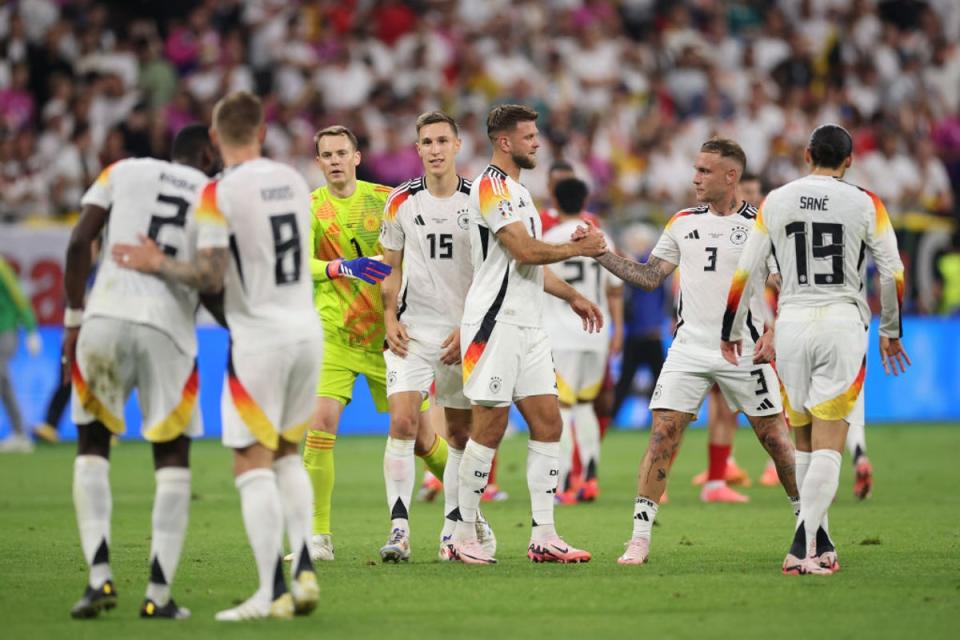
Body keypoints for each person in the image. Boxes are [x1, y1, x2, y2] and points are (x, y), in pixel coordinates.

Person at [115, 92, 321, 619]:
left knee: (251, 463)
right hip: (306, 330)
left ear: (213, 138)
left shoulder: (217, 193)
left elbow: (209, 276)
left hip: (259, 340)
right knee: (287, 454)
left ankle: (271, 589)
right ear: (263, 129)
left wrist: (157, 263)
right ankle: (303, 571)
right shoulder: (296, 180)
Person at [579, 138, 800, 566]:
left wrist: (776, 330)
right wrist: (602, 254)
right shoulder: (681, 222)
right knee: (662, 433)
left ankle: (807, 526)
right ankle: (639, 538)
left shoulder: (761, 226)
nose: (695, 177)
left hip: (743, 349)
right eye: (695, 169)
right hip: (689, 347)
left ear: (730, 176)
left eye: (704, 171)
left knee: (775, 439)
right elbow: (647, 277)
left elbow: (787, 286)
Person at [720, 124, 910, 575]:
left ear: (807, 155)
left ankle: (819, 544)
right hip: (840, 321)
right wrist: (891, 329)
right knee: (828, 443)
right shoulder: (866, 202)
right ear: (849, 161)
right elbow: (894, 271)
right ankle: (803, 547)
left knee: (803, 440)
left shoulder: (776, 200)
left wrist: (731, 330)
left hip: (792, 323)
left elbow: (746, 271)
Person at [63, 123, 218, 619]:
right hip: (168, 333)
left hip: (104, 319)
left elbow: (78, 240)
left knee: (92, 447)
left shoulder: (121, 170)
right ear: (209, 157)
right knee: (171, 456)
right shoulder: (213, 194)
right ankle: (157, 594)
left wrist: (73, 318)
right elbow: (214, 284)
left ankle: (98, 580)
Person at [452, 104, 606, 564]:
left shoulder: (519, 192)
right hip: (494, 323)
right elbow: (522, 249)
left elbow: (525, 264)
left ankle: (544, 534)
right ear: (505, 142)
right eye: (529, 136)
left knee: (549, 422)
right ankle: (461, 534)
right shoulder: (492, 187)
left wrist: (571, 295)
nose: (537, 142)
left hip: (529, 323)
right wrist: (575, 248)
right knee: (490, 426)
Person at [302, 125, 447, 562]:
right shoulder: (309, 207)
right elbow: (298, 264)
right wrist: (338, 268)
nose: (334, 160)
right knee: (321, 424)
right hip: (336, 337)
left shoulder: (386, 200)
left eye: (341, 152)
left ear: (357, 157)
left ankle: (468, 511)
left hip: (391, 339)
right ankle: (318, 537)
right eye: (326, 154)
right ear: (318, 161)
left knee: (422, 441)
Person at [378, 111, 495, 562]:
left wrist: (470, 328)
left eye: (442, 140)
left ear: (458, 145)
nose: (435, 149)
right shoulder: (400, 201)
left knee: (462, 434)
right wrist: (390, 318)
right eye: (427, 141)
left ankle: (452, 530)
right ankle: (399, 530)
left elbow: (491, 272)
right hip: (412, 333)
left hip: (462, 336)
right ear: (418, 148)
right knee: (403, 422)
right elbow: (390, 267)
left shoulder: (478, 202)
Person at [542, 177, 623, 504]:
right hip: (596, 333)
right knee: (587, 404)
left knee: (562, 407)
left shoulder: (548, 239)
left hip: (560, 333)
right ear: (585, 199)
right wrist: (617, 329)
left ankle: (562, 482)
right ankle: (589, 476)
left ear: (555, 201)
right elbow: (615, 288)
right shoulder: (600, 238)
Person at [0, 256, 42, 452]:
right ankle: (19, 432)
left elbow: (18, 296)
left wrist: (31, 330)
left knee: (1, 377)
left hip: (5, 329)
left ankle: (20, 433)